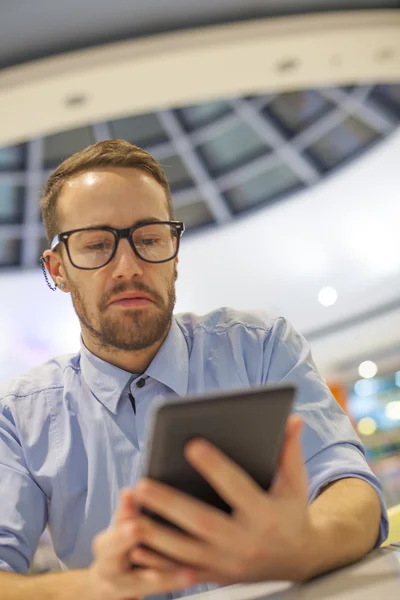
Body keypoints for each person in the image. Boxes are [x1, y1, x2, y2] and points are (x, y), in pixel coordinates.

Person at [0, 139, 388, 600]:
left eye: (148, 239)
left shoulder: (258, 347)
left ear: (175, 251)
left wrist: (306, 545)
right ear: (58, 268)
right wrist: (94, 587)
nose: (128, 267)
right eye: (97, 245)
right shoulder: (19, 418)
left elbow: (349, 485)